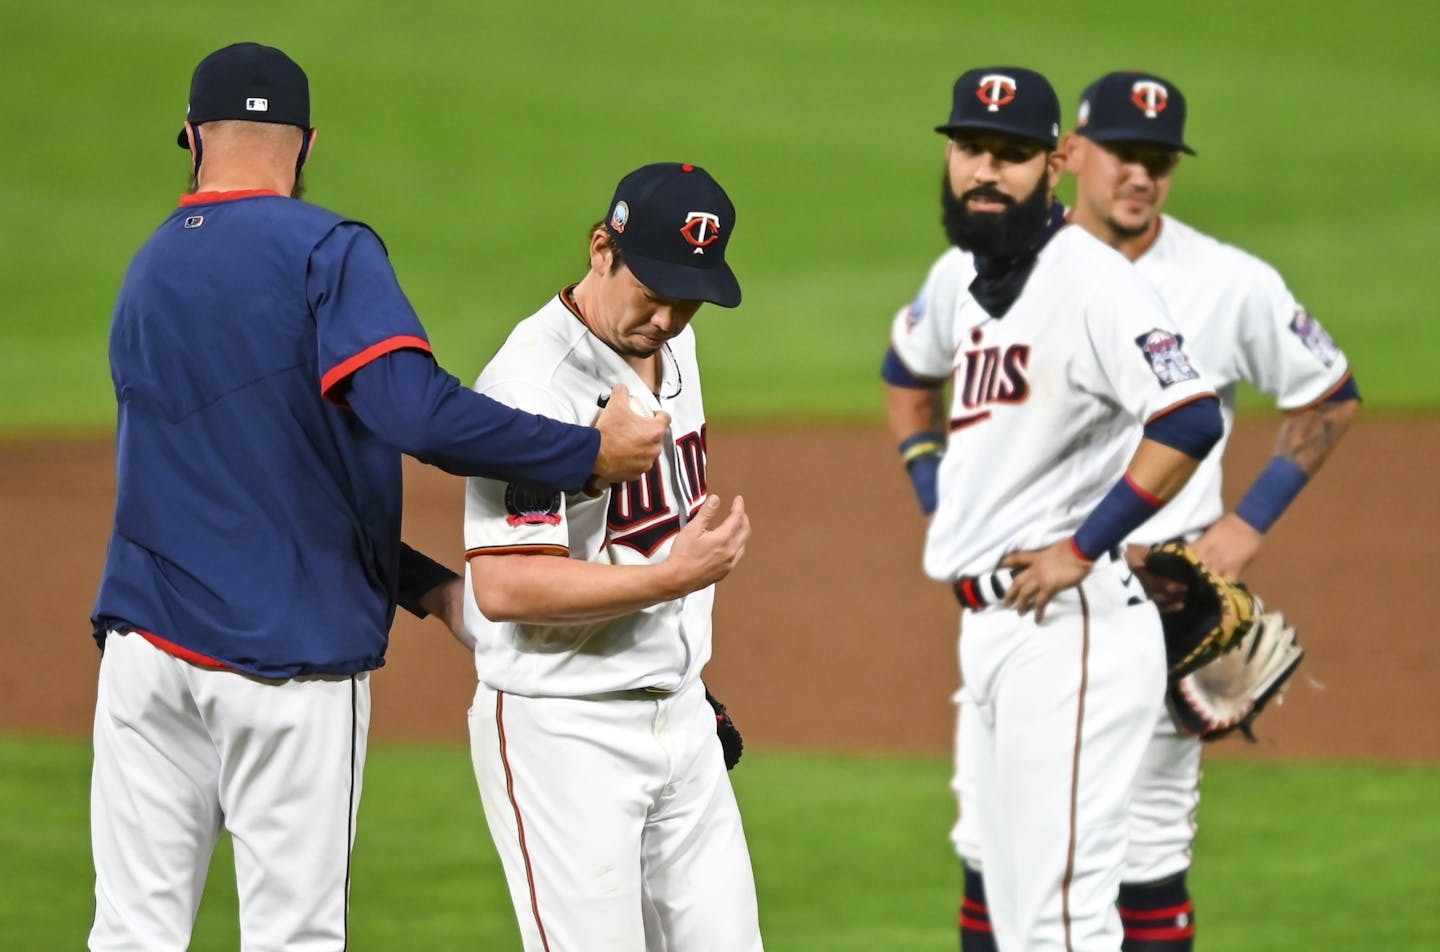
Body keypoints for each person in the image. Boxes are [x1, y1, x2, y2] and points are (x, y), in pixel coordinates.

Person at [88, 42, 666, 951]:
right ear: (308, 143)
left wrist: (426, 585)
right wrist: (584, 453)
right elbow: (415, 414)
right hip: (286, 664)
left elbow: (250, 474)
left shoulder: (148, 271)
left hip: (143, 659)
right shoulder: (327, 249)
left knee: (130, 934)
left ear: (192, 139)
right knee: (294, 938)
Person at [948, 70, 1360, 952]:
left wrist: (1242, 531)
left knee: (1141, 856)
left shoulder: (1229, 280)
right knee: (995, 856)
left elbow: (1328, 395)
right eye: (1125, 157)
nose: (1141, 176)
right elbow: (920, 369)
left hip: (1156, 599)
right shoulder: (1002, 270)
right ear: (1074, 156)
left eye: (1160, 162)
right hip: (1020, 599)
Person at [882, 66, 1225, 951]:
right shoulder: (957, 273)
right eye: (970, 148)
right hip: (990, 630)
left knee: (1058, 925)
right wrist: (936, 488)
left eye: (1011, 153)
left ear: (1059, 161)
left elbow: (1188, 416)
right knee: (1004, 906)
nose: (985, 171)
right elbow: (904, 373)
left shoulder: (1096, 283)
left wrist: (1084, 543)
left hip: (1073, 629)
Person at [461, 162, 763, 951]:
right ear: (603, 249)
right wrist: (674, 579)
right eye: (652, 291)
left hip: (681, 723)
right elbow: (504, 583)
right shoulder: (534, 382)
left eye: (687, 297)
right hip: (568, 733)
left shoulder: (675, 345)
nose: (666, 318)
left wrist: (685, 676)